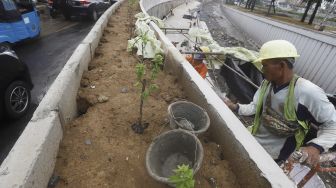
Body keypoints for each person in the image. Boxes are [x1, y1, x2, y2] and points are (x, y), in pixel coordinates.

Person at [224, 40, 336, 166]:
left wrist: (316, 147)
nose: (261, 69)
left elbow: (332, 125)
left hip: (275, 155)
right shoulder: (267, 84)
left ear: (282, 66)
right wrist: (235, 107)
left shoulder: (308, 92)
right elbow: (255, 107)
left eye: (265, 65)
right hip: (254, 138)